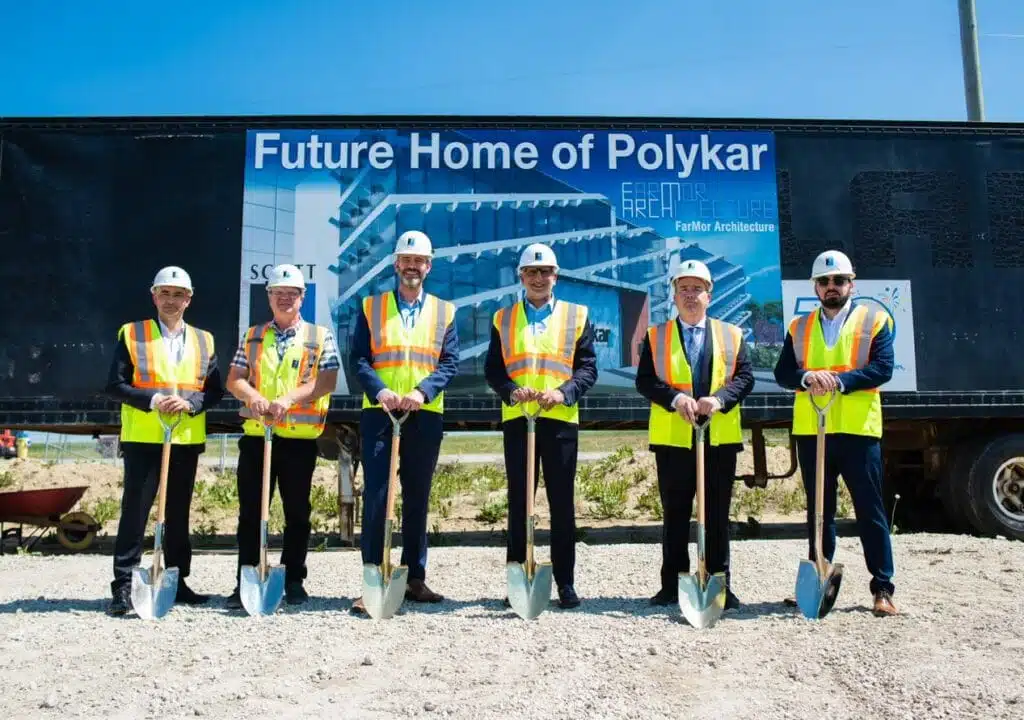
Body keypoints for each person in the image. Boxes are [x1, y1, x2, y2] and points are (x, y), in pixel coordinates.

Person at [773, 249, 898, 617]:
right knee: (819, 512)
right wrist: (807, 377)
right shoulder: (799, 327)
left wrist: (839, 381)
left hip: (858, 432)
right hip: (813, 432)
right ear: (815, 286)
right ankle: (818, 579)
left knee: (871, 511)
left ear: (851, 284)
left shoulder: (874, 320)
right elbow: (783, 374)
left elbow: (882, 369)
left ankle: (883, 588)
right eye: (825, 282)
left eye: (839, 280)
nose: (832, 287)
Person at [349, 230, 460, 614]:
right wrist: (380, 391)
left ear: (428, 267)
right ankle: (373, 579)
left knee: (416, 499)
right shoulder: (371, 307)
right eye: (406, 260)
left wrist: (422, 392)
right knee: (378, 497)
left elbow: (449, 362)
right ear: (396, 264)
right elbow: (360, 359)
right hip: (380, 413)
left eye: (419, 261)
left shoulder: (445, 312)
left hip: (423, 414)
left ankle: (415, 579)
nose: (412, 266)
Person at [104, 266, 225, 616]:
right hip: (144, 435)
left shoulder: (205, 340)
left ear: (189, 299)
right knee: (136, 513)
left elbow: (213, 391)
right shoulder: (133, 334)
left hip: (184, 437)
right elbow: (115, 385)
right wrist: (154, 400)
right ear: (153, 295)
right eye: (164, 293)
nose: (171, 300)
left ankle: (176, 578)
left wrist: (191, 404)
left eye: (178, 294)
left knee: (176, 514)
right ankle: (124, 586)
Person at [635, 259, 754, 611]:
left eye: (697, 289)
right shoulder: (656, 337)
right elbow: (645, 381)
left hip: (718, 439)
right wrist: (675, 398)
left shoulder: (731, 335)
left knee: (717, 514)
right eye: (683, 289)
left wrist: (719, 399)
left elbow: (744, 378)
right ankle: (672, 585)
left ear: (709, 293)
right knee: (674, 514)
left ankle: (720, 583)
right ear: (673, 294)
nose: (690, 296)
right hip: (675, 439)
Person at [485, 243, 598, 609]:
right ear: (521, 276)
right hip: (520, 421)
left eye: (545, 271)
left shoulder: (577, 316)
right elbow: (493, 370)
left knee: (561, 504)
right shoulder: (503, 318)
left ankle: (565, 582)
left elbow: (587, 368)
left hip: (560, 420)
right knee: (520, 502)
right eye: (531, 272)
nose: (538, 278)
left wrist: (564, 393)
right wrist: (513, 391)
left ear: (556, 276)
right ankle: (519, 577)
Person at [224, 263, 339, 608]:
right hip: (259, 436)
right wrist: (254, 397)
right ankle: (246, 576)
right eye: (279, 293)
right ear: (269, 297)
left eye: (292, 294)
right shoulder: (254, 335)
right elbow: (235, 378)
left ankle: (293, 579)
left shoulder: (320, 337)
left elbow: (327, 381)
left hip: (298, 439)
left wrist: (288, 399)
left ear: (303, 297)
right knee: (251, 512)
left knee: (297, 513)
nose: (285, 299)